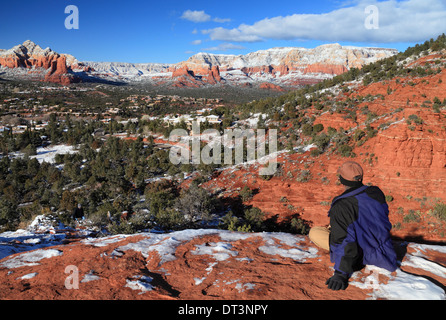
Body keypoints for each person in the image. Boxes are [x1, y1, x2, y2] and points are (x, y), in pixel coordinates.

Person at [309, 161, 397, 291]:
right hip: (383, 247)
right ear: (360, 178)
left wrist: (340, 274)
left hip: (362, 253)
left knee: (314, 232)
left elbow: (345, 241)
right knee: (338, 226)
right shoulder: (376, 192)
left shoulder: (342, 205)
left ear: (341, 180)